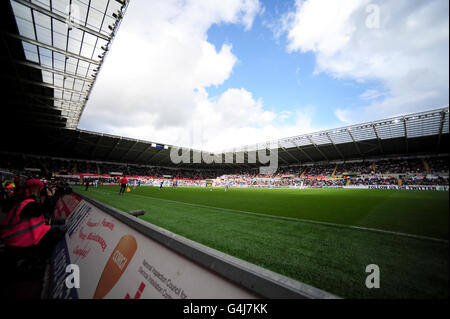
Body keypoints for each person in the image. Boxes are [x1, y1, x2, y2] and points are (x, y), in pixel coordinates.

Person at [0, 179, 66, 258]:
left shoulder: (26, 200)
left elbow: (42, 213)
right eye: (40, 189)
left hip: (25, 234)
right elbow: (45, 210)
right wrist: (50, 196)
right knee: (62, 229)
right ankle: (43, 257)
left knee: (61, 221)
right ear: (35, 189)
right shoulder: (27, 203)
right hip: (19, 240)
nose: (42, 191)